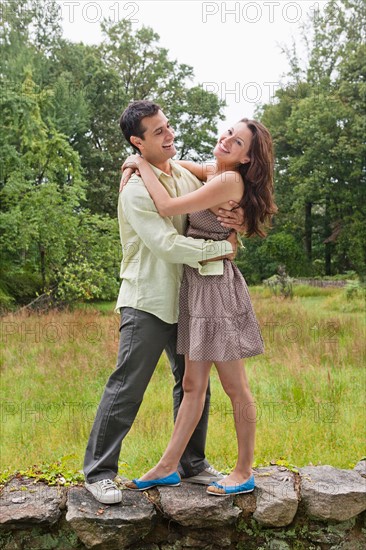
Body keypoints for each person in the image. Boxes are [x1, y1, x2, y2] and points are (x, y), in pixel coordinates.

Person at [83, 100, 245, 504]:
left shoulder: (182, 178)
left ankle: (190, 464)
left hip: (189, 299)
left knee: (193, 385)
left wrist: (236, 218)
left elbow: (217, 189)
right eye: (158, 132)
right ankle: (99, 472)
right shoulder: (135, 190)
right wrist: (221, 249)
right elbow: (167, 245)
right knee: (127, 386)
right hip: (148, 301)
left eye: (168, 126)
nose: (169, 134)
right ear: (138, 142)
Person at [122, 117, 277, 496]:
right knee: (193, 385)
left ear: (247, 159)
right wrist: (138, 158)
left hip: (217, 289)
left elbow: (167, 205)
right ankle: (167, 466)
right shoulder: (215, 171)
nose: (226, 141)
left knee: (235, 387)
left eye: (237, 143)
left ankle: (243, 471)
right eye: (228, 133)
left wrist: (140, 163)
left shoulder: (227, 181)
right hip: (197, 285)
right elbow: (177, 167)